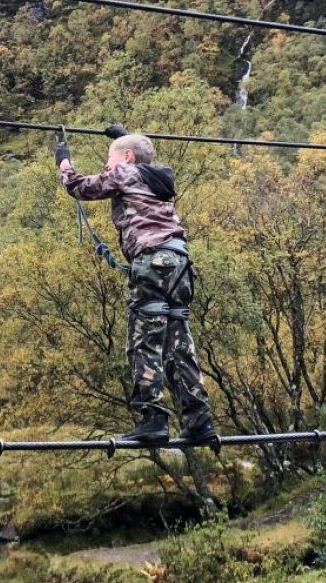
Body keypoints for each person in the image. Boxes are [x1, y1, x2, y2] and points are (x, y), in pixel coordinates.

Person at [57, 130, 220, 448]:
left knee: (144, 343)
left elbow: (77, 186)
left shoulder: (125, 171)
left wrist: (63, 159)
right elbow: (139, 153)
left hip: (152, 261)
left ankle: (153, 419)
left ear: (127, 158)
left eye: (109, 159)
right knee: (178, 346)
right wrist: (125, 138)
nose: (107, 166)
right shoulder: (157, 179)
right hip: (180, 264)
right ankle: (199, 420)